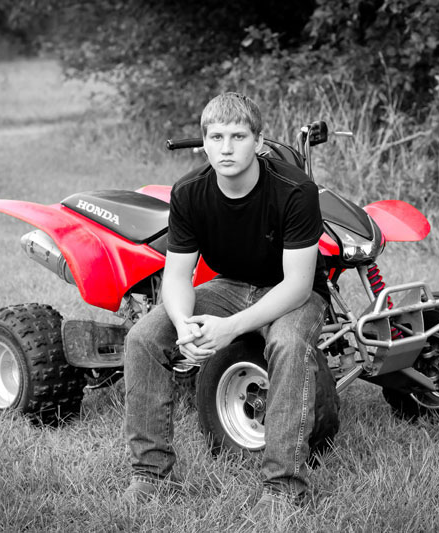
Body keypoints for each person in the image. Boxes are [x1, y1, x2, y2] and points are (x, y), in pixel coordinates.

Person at [123, 92, 329, 513]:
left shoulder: (296, 191)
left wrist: (230, 329)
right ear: (204, 142)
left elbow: (297, 285)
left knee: (288, 345)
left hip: (290, 292)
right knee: (143, 338)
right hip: (230, 285)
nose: (227, 147)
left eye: (238, 136)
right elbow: (177, 277)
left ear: (259, 140)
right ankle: (151, 475)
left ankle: (284, 488)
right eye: (216, 137)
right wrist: (182, 324)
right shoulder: (189, 192)